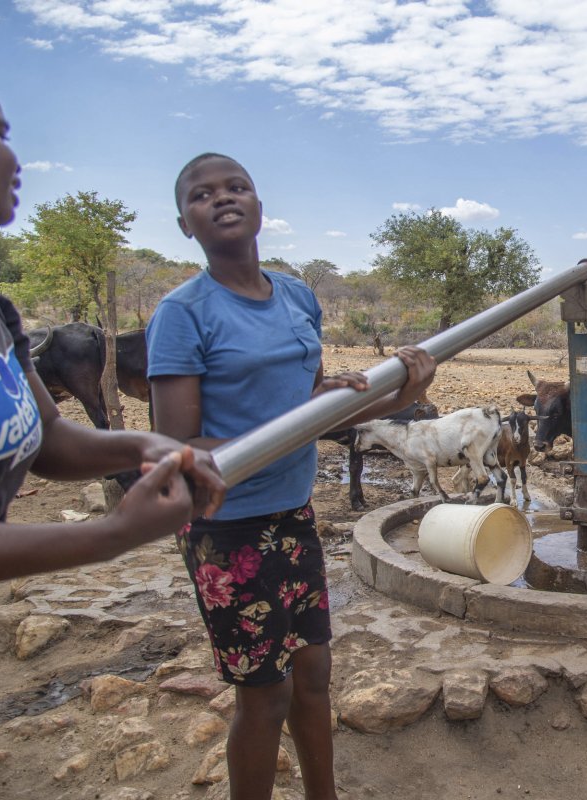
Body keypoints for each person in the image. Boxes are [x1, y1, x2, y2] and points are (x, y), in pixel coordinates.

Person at [0, 46, 227, 800]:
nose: (16, 155)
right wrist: (106, 538)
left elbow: (46, 437)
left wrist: (144, 442)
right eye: (0, 128)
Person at [147, 152, 436, 800]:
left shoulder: (298, 296)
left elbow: (319, 410)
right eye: (202, 194)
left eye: (236, 187)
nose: (222, 198)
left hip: (291, 514)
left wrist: (404, 392)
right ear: (184, 223)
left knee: (313, 675)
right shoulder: (183, 314)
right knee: (266, 696)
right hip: (225, 528)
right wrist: (298, 417)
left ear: (258, 205)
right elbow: (177, 446)